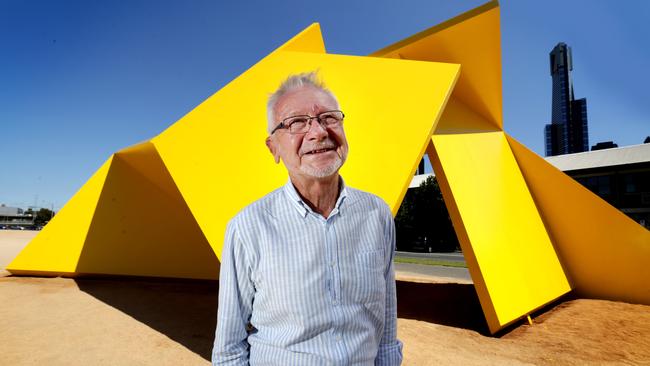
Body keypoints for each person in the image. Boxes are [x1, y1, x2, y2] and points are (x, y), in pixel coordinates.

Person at [212, 71, 403, 365]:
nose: (318, 132)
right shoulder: (247, 227)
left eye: (329, 118)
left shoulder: (377, 214)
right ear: (273, 147)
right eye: (297, 122)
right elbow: (228, 350)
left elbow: (387, 321)